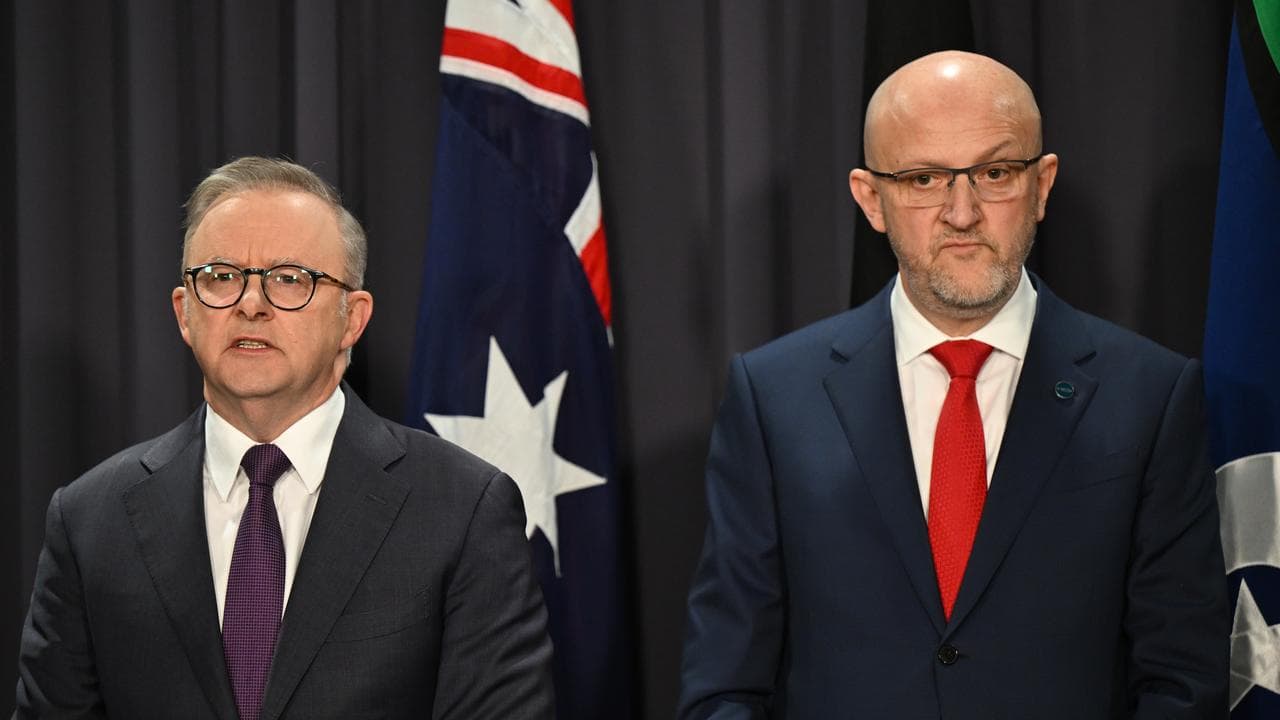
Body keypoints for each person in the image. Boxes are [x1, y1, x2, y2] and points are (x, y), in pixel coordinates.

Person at [678, 51, 1228, 718]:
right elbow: (724, 685)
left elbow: (1181, 681)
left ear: (1043, 183)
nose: (962, 213)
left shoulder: (1150, 397)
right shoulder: (772, 397)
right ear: (870, 198)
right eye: (923, 178)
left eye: (995, 173)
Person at [14, 157, 555, 719]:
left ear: (353, 318)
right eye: (221, 277)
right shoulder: (88, 521)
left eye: (290, 279)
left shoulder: (462, 509)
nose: (251, 303)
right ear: (184, 312)